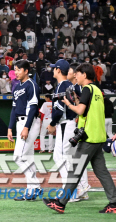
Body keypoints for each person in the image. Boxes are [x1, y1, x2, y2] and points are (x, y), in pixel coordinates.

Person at [44, 63, 116, 214]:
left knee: (74, 171)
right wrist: (77, 100)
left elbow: (80, 110)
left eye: (77, 73)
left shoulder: (87, 89)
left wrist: (68, 103)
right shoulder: (97, 90)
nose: (75, 75)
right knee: (102, 171)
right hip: (98, 137)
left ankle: (61, 203)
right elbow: (87, 111)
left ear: (84, 74)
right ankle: (114, 202)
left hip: (88, 137)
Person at [46, 60, 89, 199]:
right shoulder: (70, 84)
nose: (52, 70)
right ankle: (81, 189)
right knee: (71, 158)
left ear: (58, 70)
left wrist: (52, 124)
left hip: (65, 123)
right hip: (71, 123)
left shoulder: (62, 85)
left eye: (54, 68)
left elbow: (59, 110)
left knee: (61, 157)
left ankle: (71, 191)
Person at [7, 60, 42, 201]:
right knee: (28, 158)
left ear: (26, 71)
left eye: (18, 69)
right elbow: (14, 109)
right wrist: (10, 128)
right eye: (15, 70)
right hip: (19, 123)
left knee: (18, 157)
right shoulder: (16, 87)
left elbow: (33, 107)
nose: (16, 72)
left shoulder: (32, 85)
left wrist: (26, 127)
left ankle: (36, 186)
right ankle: (31, 191)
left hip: (30, 121)